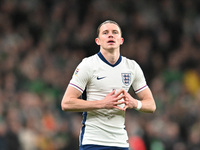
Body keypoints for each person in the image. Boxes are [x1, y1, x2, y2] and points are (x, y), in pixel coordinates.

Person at [61, 20, 156, 150]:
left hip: (120, 143)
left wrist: (134, 103)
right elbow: (66, 103)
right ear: (97, 41)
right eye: (105, 33)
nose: (110, 35)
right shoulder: (88, 65)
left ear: (121, 40)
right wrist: (103, 103)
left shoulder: (132, 67)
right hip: (93, 141)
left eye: (115, 32)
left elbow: (151, 105)